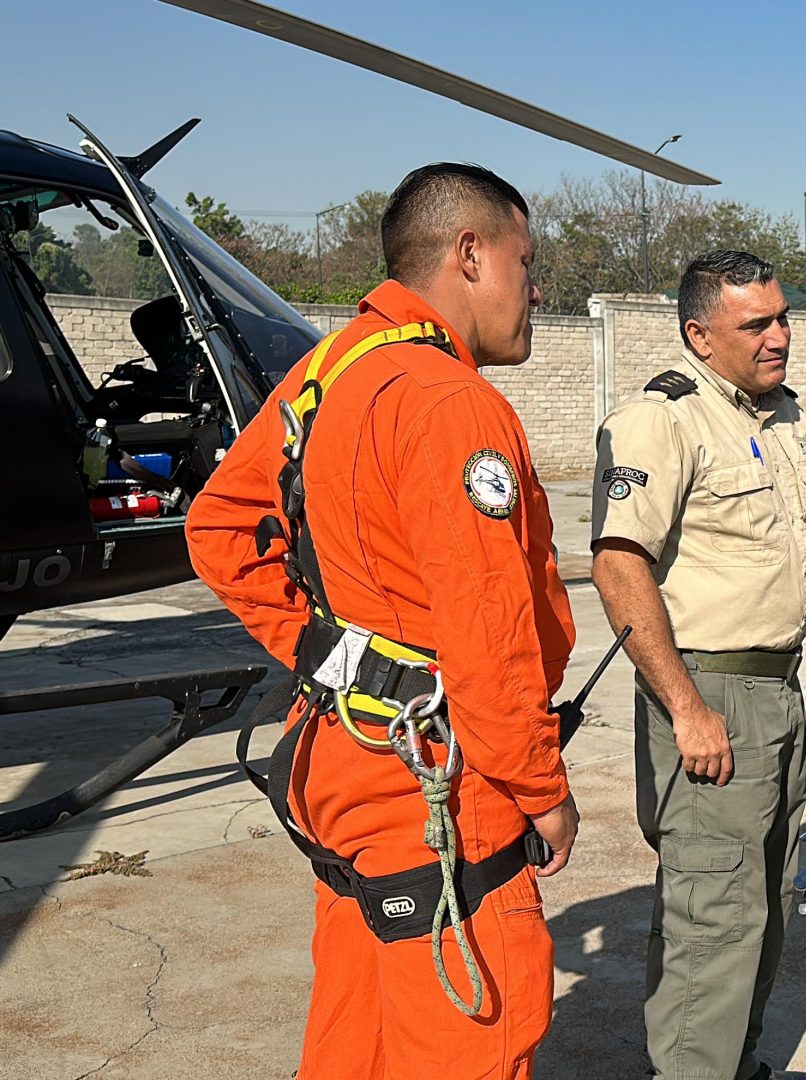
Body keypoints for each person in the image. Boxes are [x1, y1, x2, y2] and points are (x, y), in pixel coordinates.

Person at [186, 163, 577, 1079]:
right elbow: (488, 632)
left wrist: (339, 664)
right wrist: (540, 789)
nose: (535, 288)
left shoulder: (330, 369)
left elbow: (221, 529)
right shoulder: (451, 403)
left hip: (344, 762)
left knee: (355, 1042)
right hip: (436, 785)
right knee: (471, 1040)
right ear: (470, 254)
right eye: (526, 262)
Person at [589, 250, 806, 1080]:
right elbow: (619, 567)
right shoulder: (664, 420)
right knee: (713, 920)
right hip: (709, 692)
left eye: (783, 317)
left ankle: (738, 1066)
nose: (780, 337)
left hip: (780, 691)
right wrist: (687, 707)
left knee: (762, 913)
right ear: (699, 333)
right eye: (755, 324)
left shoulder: (782, 416)